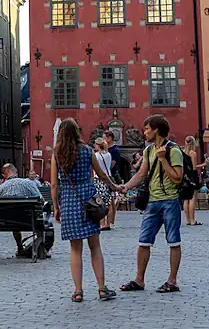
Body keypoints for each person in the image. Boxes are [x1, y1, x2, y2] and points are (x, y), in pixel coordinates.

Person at [51, 117, 120, 302]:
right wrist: (114, 186)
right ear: (77, 132)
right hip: (88, 200)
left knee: (75, 249)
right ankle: (102, 288)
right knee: (95, 245)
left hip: (69, 201)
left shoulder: (57, 153)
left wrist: (56, 207)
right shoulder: (88, 151)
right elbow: (101, 174)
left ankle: (78, 291)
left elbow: (54, 184)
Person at [120, 115, 184, 295]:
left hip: (170, 201)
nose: (145, 132)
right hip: (152, 202)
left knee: (173, 241)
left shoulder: (174, 151)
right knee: (143, 241)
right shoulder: (148, 150)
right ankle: (139, 280)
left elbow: (177, 178)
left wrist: (163, 159)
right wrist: (126, 186)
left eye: (147, 129)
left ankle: (172, 281)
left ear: (156, 130)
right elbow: (141, 174)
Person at [0, 163, 47, 257]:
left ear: (4, 175)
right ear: (16, 172)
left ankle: (20, 247)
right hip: (29, 219)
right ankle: (41, 249)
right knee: (38, 219)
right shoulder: (28, 183)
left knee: (12, 216)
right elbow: (41, 200)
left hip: (9, 220)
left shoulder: (0, 188)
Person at [93, 138, 115, 230]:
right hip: (108, 179)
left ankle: (102, 224)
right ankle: (108, 223)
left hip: (99, 179)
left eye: (95, 144)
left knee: (100, 203)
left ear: (98, 145)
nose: (94, 146)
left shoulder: (96, 155)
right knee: (109, 203)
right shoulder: (108, 154)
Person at [181, 136, 201, 226]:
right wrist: (203, 164)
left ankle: (188, 220)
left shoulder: (182, 152)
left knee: (186, 199)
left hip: (184, 177)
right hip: (192, 176)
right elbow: (194, 167)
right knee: (192, 198)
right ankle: (193, 220)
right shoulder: (193, 153)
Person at [103, 131, 122, 228]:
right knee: (111, 200)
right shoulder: (106, 149)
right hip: (108, 175)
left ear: (110, 138)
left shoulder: (115, 150)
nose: (103, 140)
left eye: (104, 138)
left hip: (111, 176)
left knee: (111, 200)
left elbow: (112, 164)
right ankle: (110, 221)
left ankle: (110, 221)